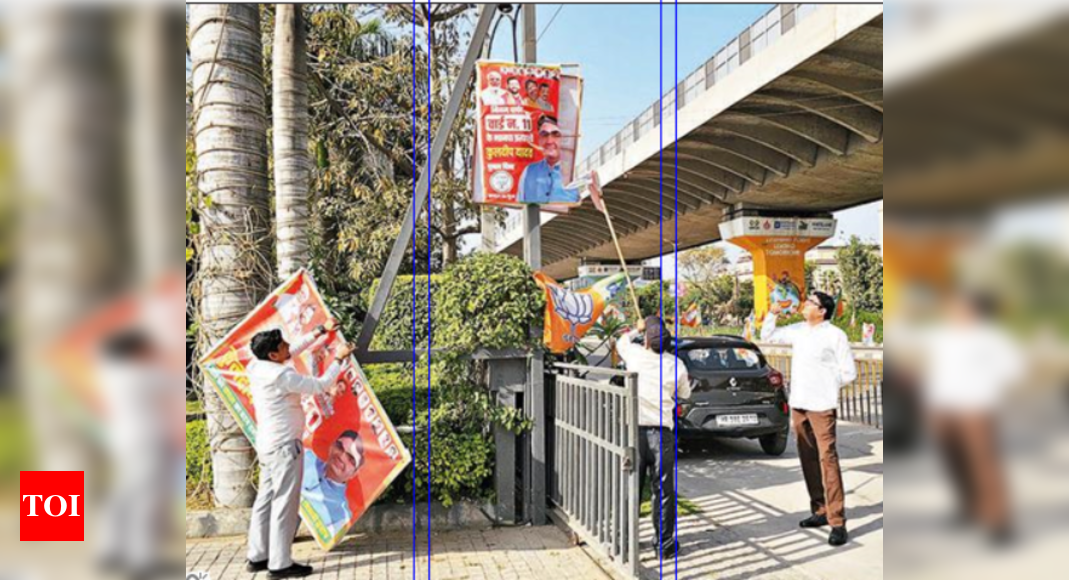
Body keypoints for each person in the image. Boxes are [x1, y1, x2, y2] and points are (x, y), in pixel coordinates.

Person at [245, 326, 355, 579]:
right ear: (273, 355)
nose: (287, 346)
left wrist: (318, 332)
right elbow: (320, 384)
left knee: (265, 499)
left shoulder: (258, 365)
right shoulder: (282, 376)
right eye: (282, 345)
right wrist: (339, 358)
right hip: (284, 446)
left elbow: (289, 352)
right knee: (285, 502)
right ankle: (280, 563)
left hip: (267, 445)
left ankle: (257, 555)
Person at [761, 292, 856, 547]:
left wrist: (826, 382)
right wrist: (773, 313)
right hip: (799, 403)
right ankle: (820, 509)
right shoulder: (798, 330)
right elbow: (767, 336)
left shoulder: (835, 335)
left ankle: (837, 520)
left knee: (828, 459)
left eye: (810, 303)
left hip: (822, 405)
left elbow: (849, 372)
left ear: (822, 310)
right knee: (807, 457)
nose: (805, 306)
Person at [616, 316, 691, 559]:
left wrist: (635, 328)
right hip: (662, 434)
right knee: (664, 489)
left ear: (646, 341)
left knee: (631, 487)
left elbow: (621, 342)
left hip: (634, 431)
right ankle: (664, 544)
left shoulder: (635, 355)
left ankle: (625, 542)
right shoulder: (676, 365)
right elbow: (684, 394)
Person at [302, 430, 366, 533]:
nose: (342, 456)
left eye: (351, 458)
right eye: (340, 447)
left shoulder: (341, 515)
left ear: (355, 472)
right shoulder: (305, 456)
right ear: (332, 445)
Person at [517, 115, 581, 204]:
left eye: (556, 135)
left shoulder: (576, 171)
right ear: (539, 140)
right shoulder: (528, 172)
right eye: (544, 135)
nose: (549, 141)